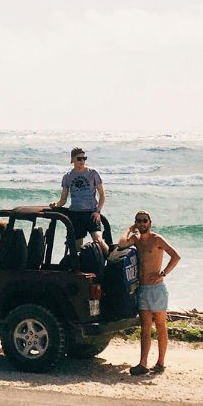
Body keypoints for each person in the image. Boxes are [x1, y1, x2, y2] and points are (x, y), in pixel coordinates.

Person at [117, 211, 180, 376]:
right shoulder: (136, 240)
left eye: (144, 220)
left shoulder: (157, 239)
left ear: (150, 223)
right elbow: (121, 244)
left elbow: (176, 256)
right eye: (138, 221)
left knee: (160, 326)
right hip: (143, 289)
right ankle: (143, 364)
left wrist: (163, 273)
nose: (142, 223)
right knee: (145, 328)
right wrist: (129, 230)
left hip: (157, 289)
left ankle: (160, 363)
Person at [51, 147, 107, 255]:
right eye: (79, 158)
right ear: (72, 160)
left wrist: (98, 211)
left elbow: (102, 194)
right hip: (75, 214)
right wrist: (56, 204)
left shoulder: (93, 173)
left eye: (84, 158)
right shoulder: (68, 177)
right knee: (76, 248)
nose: (82, 161)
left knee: (99, 241)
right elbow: (63, 199)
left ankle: (111, 260)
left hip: (91, 213)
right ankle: (79, 269)